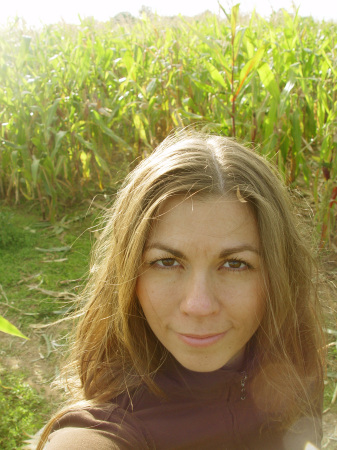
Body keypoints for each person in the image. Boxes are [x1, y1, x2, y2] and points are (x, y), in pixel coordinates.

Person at [38, 131, 325, 449]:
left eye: (234, 264)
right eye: (166, 262)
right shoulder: (115, 427)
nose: (199, 305)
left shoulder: (293, 353)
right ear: (129, 272)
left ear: (278, 274)